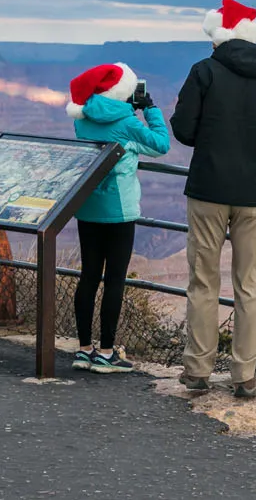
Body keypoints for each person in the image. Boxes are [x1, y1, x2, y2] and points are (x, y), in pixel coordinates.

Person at [171, 0, 256, 398]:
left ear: (218, 37)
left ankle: (198, 370)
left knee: (203, 280)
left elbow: (184, 130)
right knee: (250, 284)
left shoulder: (203, 72)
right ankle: (245, 374)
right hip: (253, 194)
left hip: (208, 190)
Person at [66, 62, 170, 374]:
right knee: (114, 281)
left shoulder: (82, 120)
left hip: (87, 207)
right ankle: (107, 353)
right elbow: (161, 145)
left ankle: (84, 350)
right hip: (119, 211)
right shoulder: (127, 123)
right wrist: (149, 109)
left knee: (88, 277)